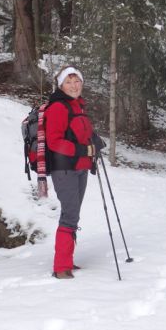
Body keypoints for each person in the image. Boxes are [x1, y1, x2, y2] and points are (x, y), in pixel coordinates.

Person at [45, 66, 97, 279]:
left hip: (79, 168)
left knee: (72, 215)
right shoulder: (58, 107)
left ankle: (67, 261)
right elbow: (54, 141)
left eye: (77, 81)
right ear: (61, 85)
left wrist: (94, 143)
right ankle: (61, 267)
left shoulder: (77, 106)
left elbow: (80, 133)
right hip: (64, 169)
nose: (74, 86)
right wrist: (83, 150)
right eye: (69, 82)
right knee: (70, 215)